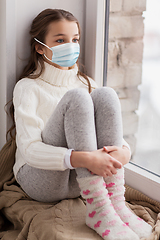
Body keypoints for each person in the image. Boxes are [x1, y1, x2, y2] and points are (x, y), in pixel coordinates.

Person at [12, 9, 152, 240]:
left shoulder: (86, 83)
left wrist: (123, 153)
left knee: (105, 94)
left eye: (74, 40)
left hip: (81, 182)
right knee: (77, 98)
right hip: (41, 180)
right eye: (60, 40)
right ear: (39, 47)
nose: (71, 46)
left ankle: (115, 204)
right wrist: (84, 159)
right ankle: (98, 209)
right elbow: (29, 150)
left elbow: (113, 138)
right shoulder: (28, 88)